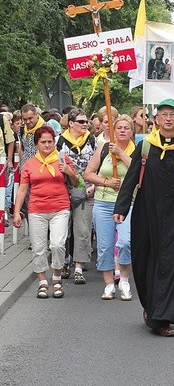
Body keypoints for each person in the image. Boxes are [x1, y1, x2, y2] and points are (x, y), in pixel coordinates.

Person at [113, 99, 174, 337]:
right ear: (156, 119)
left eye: (172, 115)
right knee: (144, 262)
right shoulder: (145, 147)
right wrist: (121, 207)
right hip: (146, 214)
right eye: (163, 114)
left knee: (173, 264)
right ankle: (150, 306)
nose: (168, 118)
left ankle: (163, 318)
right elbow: (131, 179)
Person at [13, 126, 78, 298]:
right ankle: (42, 282)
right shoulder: (29, 164)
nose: (47, 145)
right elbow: (22, 190)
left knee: (57, 245)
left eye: (50, 141)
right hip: (37, 209)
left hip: (60, 207)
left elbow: (77, 182)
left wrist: (70, 172)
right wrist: (17, 211)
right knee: (39, 248)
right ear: (37, 144)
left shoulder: (63, 159)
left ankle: (56, 278)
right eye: (43, 142)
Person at [84, 115, 135, 300]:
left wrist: (121, 155)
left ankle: (124, 280)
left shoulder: (137, 150)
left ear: (131, 131)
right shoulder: (104, 149)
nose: (122, 130)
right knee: (105, 246)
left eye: (126, 128)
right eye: (119, 127)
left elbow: (141, 172)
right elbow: (88, 174)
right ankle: (108, 285)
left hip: (128, 203)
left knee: (126, 242)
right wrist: (106, 182)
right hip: (104, 203)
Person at [57, 108, 99, 284]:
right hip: (64, 191)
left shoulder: (92, 141)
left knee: (82, 230)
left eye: (87, 121)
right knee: (63, 231)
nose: (85, 125)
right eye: (81, 122)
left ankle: (79, 267)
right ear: (71, 123)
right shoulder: (60, 142)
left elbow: (100, 163)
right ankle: (65, 262)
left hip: (87, 191)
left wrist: (95, 185)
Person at [20, 103, 45, 168]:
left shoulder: (46, 127)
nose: (27, 121)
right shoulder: (22, 129)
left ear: (36, 115)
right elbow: (22, 148)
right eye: (25, 119)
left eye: (30, 118)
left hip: (41, 166)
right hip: (25, 167)